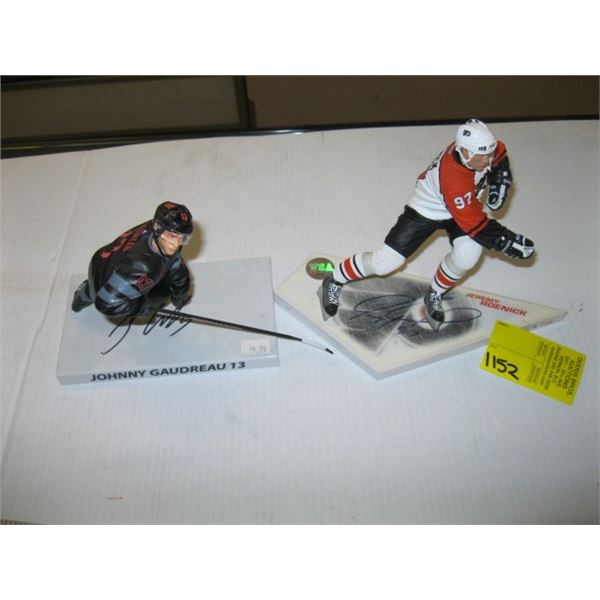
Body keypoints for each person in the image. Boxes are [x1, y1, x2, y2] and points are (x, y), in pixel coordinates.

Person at [320, 119, 535, 330]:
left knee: (468, 255)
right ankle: (334, 279)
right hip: (427, 210)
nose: (489, 160)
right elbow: (475, 223)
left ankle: (435, 293)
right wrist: (506, 241)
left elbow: (499, 154)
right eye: (483, 156)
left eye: (489, 153)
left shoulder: (474, 151)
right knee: (385, 263)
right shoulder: (454, 179)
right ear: (465, 153)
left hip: (461, 207)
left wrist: (500, 178)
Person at [71, 201, 193, 317]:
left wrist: (181, 291)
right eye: (172, 236)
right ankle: (87, 293)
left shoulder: (153, 228)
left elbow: (176, 264)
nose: (176, 243)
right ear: (158, 227)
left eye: (182, 238)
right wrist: (140, 307)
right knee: (161, 292)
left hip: (102, 259)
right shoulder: (145, 268)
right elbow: (105, 304)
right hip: (103, 280)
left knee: (93, 289)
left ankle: (84, 294)